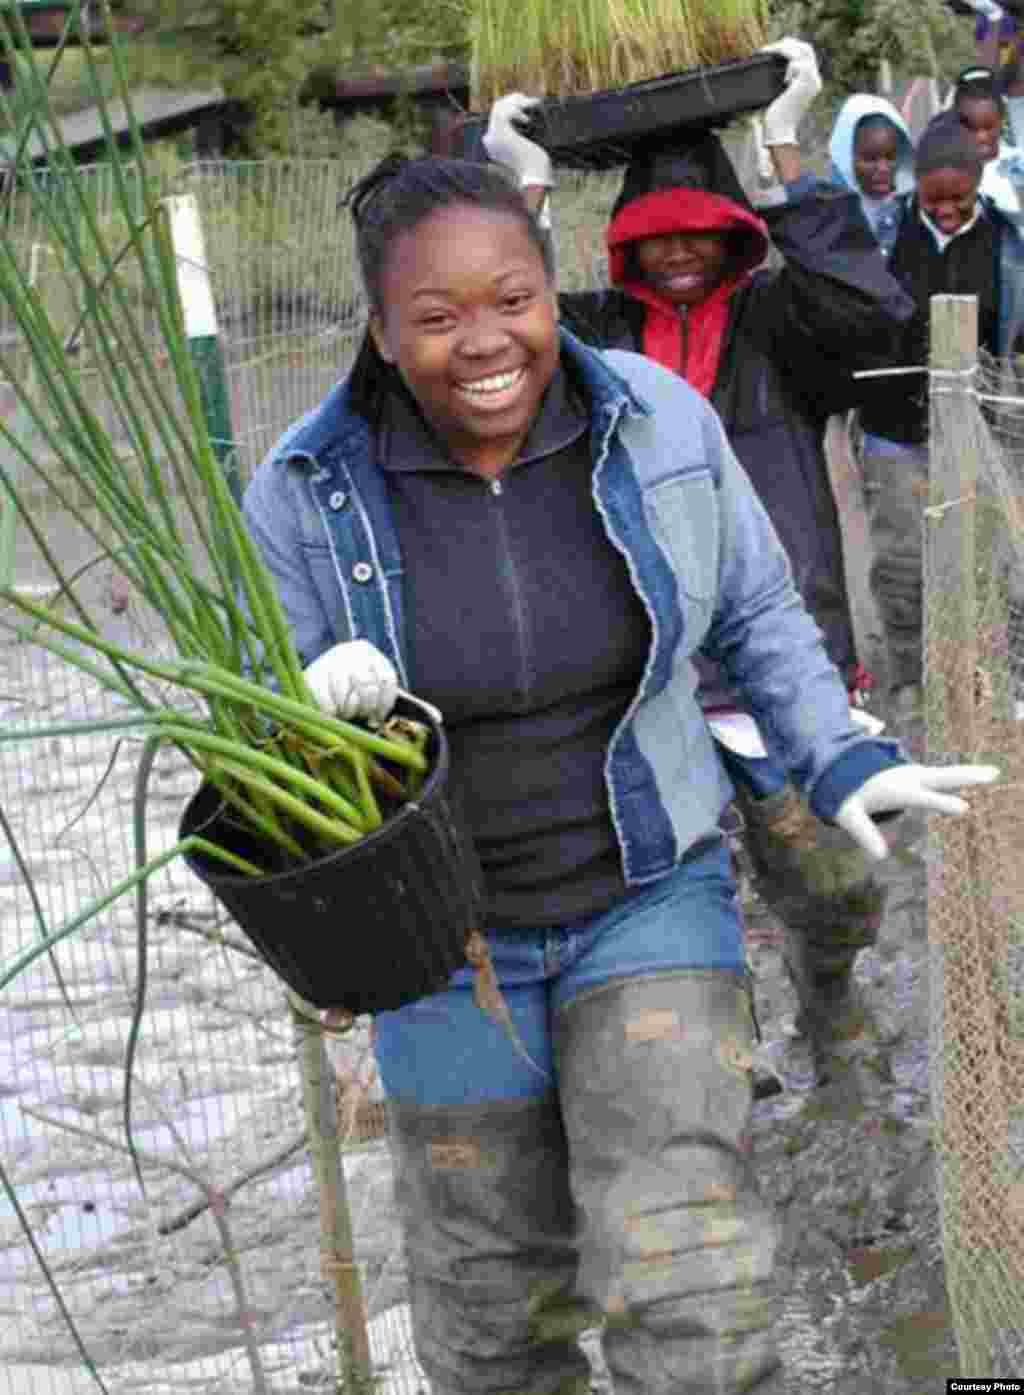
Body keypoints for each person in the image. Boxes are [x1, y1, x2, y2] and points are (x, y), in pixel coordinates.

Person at [241, 152, 996, 1395]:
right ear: (378, 331)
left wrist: (839, 752)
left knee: (688, 1284)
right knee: (493, 1323)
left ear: (554, 292)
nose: (484, 342)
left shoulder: (656, 422)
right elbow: (273, 717)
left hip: (647, 897)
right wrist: (313, 703)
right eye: (435, 318)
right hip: (443, 946)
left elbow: (755, 610)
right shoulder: (307, 491)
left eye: (513, 301)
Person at [481, 39, 918, 1089]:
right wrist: (522, 188)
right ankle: (724, 1035)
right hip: (633, 664)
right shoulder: (591, 340)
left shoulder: (781, 327)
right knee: (670, 874)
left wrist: (781, 149)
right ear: (624, 249)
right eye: (654, 241)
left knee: (830, 877)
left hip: (772, 650)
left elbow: (879, 317)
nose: (678, 257)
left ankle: (828, 990)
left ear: (735, 237)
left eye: (699, 237)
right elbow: (499, 325)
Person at [857, 109, 1024, 711]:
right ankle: (908, 679)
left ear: (980, 179)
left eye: (959, 198)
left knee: (1005, 554)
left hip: (983, 422)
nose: (947, 210)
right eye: (934, 200)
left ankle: (1007, 677)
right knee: (902, 562)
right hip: (897, 427)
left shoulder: (1009, 242)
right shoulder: (884, 234)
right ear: (915, 188)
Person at [828, 92, 915, 256]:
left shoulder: (913, 212)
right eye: (870, 159)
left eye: (890, 157)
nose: (883, 168)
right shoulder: (831, 219)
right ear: (846, 158)